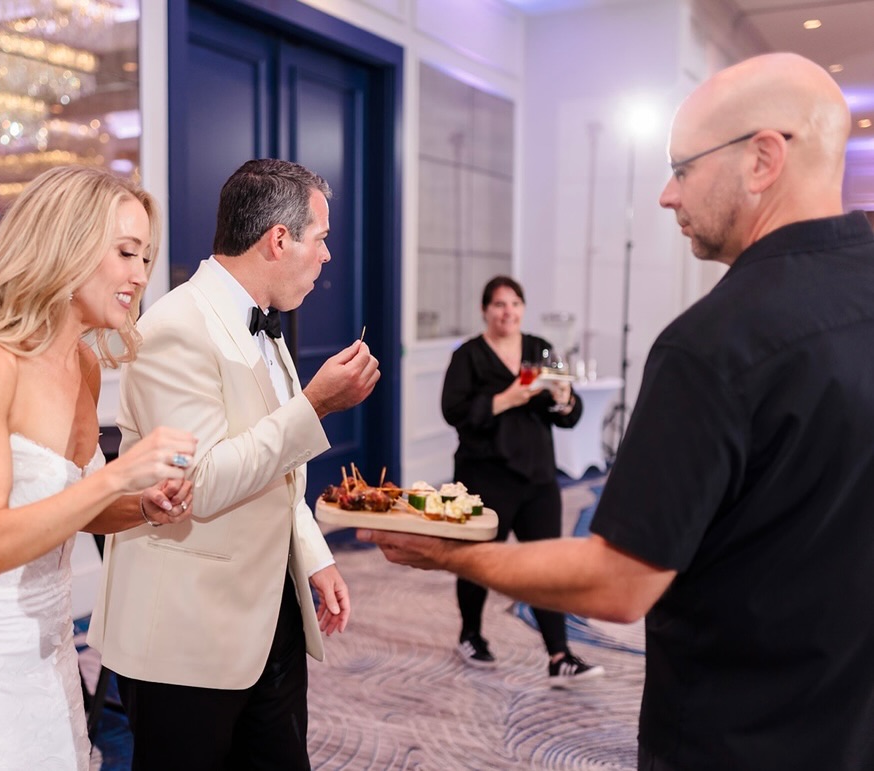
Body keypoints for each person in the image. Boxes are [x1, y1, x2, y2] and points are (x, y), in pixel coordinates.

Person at [360, 52, 874, 770]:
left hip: (742, 733)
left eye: (684, 166)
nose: (667, 194)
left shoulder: (714, 343)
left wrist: (452, 551)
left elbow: (620, 580)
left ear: (763, 160)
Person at [0, 165, 199, 771]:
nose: (141, 276)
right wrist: (117, 476)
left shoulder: (84, 365)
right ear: (67, 246)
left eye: (146, 257)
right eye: (126, 253)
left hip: (54, 650)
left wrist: (141, 505)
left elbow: (72, 508)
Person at [92, 158, 380, 770]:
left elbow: (278, 469)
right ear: (279, 238)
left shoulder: (267, 327)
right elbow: (201, 482)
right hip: (189, 633)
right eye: (321, 238)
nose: (327, 256)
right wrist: (315, 406)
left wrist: (314, 555)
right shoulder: (175, 327)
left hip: (270, 615)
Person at [441, 275, 601, 684]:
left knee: (546, 567)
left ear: (523, 309)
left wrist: (564, 399)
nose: (507, 311)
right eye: (498, 304)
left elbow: (571, 411)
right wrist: (506, 399)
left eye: (514, 303)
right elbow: (454, 411)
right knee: (479, 563)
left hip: (538, 478)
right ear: (484, 310)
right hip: (485, 478)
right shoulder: (469, 356)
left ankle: (559, 654)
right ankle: (471, 634)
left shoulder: (541, 349)